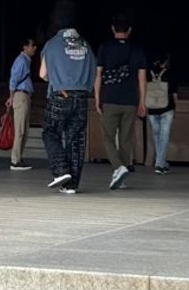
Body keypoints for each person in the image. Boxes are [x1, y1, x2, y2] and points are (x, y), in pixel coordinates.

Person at [40, 25, 96, 195]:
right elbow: (95, 72)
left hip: (60, 94)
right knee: (77, 140)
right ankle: (71, 185)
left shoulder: (52, 44)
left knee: (50, 132)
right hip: (81, 96)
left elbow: (42, 74)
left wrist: (57, 81)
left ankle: (61, 170)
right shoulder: (86, 45)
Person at [94, 17, 147, 190]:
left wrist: (97, 98)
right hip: (130, 100)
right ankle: (121, 178)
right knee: (125, 139)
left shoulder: (105, 48)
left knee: (108, 136)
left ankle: (118, 167)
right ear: (129, 30)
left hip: (110, 98)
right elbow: (142, 78)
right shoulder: (137, 50)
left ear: (112, 29)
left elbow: (98, 75)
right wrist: (142, 102)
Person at [6, 38, 36, 171]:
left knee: (24, 130)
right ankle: (15, 160)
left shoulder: (25, 61)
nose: (34, 48)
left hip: (24, 95)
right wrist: (11, 97)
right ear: (25, 47)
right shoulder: (21, 61)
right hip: (21, 95)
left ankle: (18, 158)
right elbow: (14, 79)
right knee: (20, 129)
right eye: (32, 45)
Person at [145, 53, 174, 175]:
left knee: (157, 136)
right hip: (167, 108)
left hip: (151, 108)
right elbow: (174, 93)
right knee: (164, 137)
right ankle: (160, 164)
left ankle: (161, 161)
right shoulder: (169, 74)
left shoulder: (147, 73)